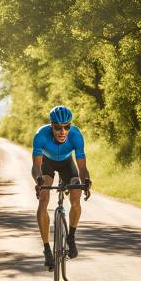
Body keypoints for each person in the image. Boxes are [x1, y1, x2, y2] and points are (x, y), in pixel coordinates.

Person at [32, 105, 91, 268]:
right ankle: (47, 249)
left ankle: (71, 237)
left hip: (67, 164)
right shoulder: (40, 136)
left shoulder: (76, 136)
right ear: (51, 125)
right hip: (47, 164)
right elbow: (36, 166)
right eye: (58, 127)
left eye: (67, 127)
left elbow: (82, 168)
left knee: (76, 196)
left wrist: (85, 181)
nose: (63, 131)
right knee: (43, 199)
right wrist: (38, 180)